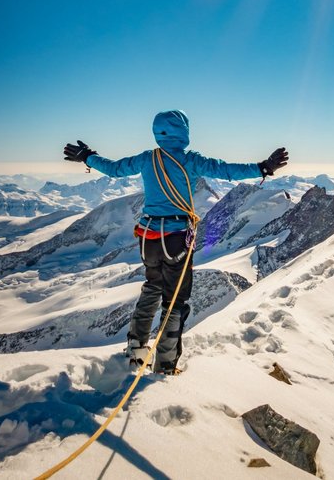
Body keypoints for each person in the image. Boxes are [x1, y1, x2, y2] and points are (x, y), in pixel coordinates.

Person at [64, 109, 288, 375]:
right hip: (177, 239)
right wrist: (263, 168)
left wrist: (88, 156)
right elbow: (227, 170)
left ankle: (136, 346)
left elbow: (114, 169)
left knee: (151, 286)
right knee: (175, 303)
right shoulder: (191, 161)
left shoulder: (148, 159)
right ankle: (166, 365)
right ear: (184, 132)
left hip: (148, 237)